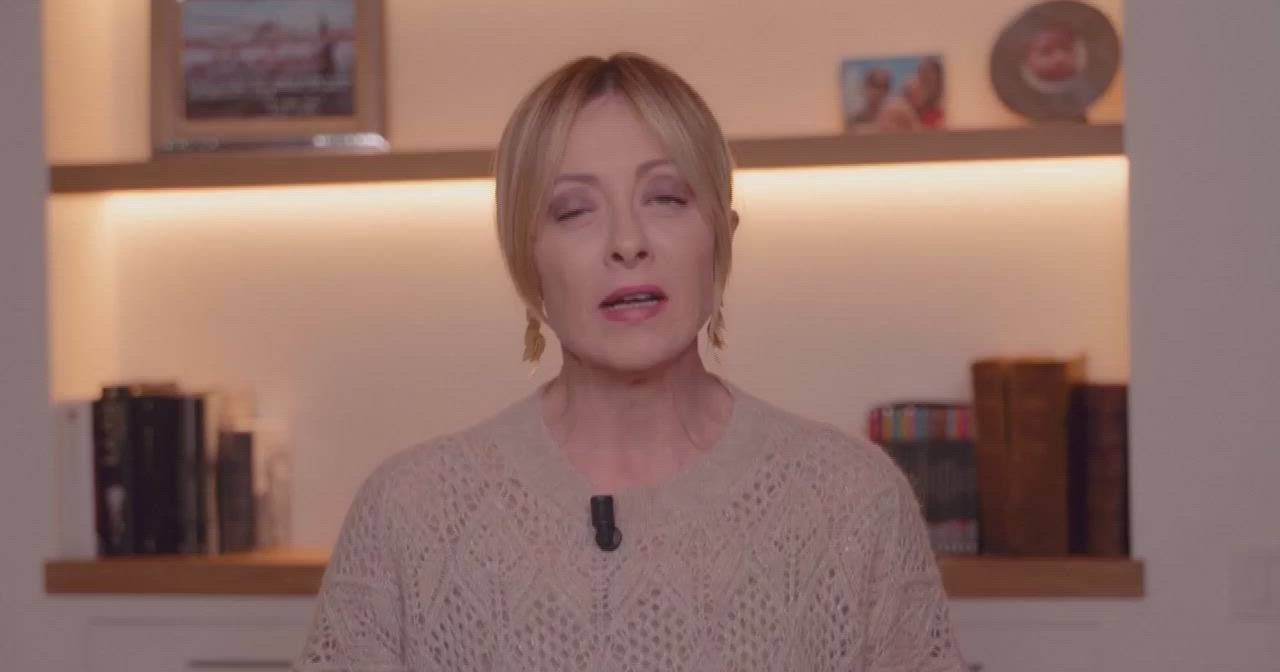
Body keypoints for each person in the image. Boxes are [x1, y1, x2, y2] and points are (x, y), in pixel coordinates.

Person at [294, 52, 966, 671]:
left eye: (665, 197)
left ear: (722, 237)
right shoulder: (409, 515)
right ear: (527, 260)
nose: (627, 242)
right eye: (573, 210)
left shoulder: (854, 504)